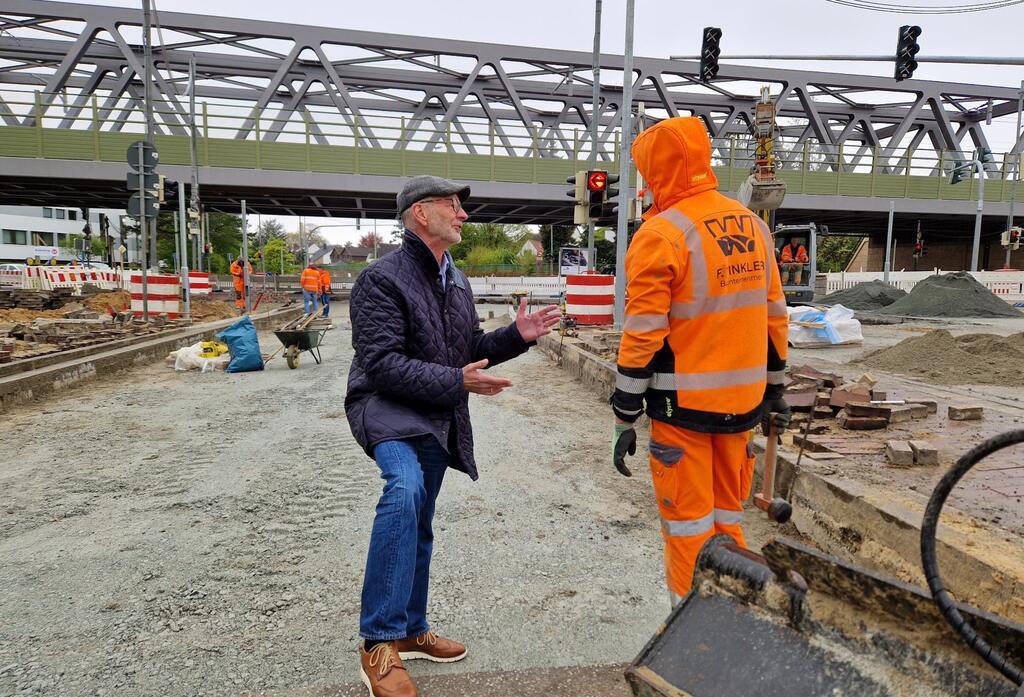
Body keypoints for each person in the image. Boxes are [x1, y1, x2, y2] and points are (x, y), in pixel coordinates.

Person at [345, 175, 560, 697]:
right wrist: (454, 381)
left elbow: (467, 345)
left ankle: (411, 628)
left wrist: (516, 337)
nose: (463, 216)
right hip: (386, 406)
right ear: (421, 214)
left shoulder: (456, 280)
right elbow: (381, 363)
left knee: (419, 520)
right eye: (453, 206)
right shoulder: (382, 279)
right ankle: (378, 641)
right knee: (405, 490)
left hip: (435, 412)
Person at [610, 116, 790, 606]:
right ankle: (736, 612)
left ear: (657, 172)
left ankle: (688, 637)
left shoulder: (661, 233)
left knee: (687, 525)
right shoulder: (752, 224)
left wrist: (625, 413)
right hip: (743, 408)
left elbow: (644, 331)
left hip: (682, 412)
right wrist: (776, 390)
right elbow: (775, 315)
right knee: (726, 519)